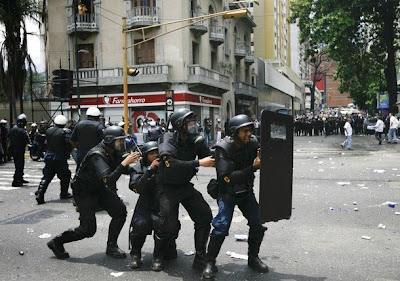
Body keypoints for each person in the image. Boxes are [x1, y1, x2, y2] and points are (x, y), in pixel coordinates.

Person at [47, 126, 140, 260]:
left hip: (98, 187)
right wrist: (124, 164)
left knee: (120, 211)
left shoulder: (112, 150)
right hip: (84, 192)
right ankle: (57, 242)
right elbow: (109, 179)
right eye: (119, 141)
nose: (121, 144)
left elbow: (118, 168)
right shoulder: (97, 154)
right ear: (109, 140)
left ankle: (111, 246)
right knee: (88, 230)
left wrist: (139, 167)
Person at [202, 114, 268, 279]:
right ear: (234, 132)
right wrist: (252, 168)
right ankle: (210, 262)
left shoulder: (253, 143)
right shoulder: (223, 148)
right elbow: (227, 178)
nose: (249, 134)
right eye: (244, 131)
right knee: (221, 227)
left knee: (257, 223)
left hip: (246, 191)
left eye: (250, 130)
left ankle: (253, 258)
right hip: (227, 193)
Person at [153, 108, 215, 272]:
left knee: (204, 215)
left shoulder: (195, 140)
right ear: (180, 125)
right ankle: (158, 255)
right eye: (190, 123)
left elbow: (211, 157)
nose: (194, 126)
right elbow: (171, 164)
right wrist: (198, 163)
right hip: (167, 187)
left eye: (194, 122)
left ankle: (200, 259)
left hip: (184, 185)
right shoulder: (167, 138)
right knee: (168, 225)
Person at [128, 141, 179, 269]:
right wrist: (150, 170)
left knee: (163, 228)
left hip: (162, 204)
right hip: (145, 203)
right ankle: (135, 254)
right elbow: (137, 187)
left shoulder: (167, 166)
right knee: (139, 225)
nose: (155, 155)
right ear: (145, 155)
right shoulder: (138, 168)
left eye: (157, 152)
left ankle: (158, 256)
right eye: (152, 153)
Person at [35, 115, 73, 204]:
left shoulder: (49, 130)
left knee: (47, 177)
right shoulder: (65, 132)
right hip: (60, 157)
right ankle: (64, 193)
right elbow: (68, 145)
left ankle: (40, 194)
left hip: (49, 156)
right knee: (65, 176)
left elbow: (45, 142)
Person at [8, 114, 30, 187]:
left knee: (18, 165)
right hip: (19, 149)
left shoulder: (13, 129)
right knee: (19, 165)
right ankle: (15, 181)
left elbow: (9, 137)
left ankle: (20, 178)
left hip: (14, 149)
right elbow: (27, 140)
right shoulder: (22, 131)